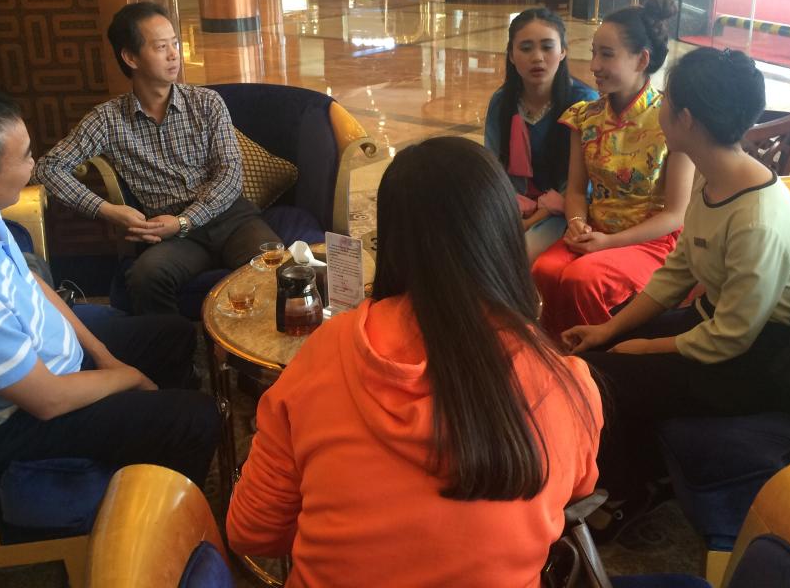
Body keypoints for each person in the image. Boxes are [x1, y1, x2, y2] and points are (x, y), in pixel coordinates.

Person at [227, 137, 603, 587]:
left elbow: (251, 531)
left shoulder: (326, 352)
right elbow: (576, 490)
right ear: (505, 237)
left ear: (391, 240)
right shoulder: (568, 383)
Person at [0, 85, 219, 485]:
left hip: (50, 360)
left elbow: (29, 283)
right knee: (198, 417)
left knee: (175, 333)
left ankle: (155, 459)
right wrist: (128, 378)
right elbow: (47, 400)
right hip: (23, 418)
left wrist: (104, 356)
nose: (33, 164)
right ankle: (160, 499)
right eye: (25, 156)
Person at [565, 47, 790, 538]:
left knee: (601, 374)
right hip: (714, 322)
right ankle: (646, 470)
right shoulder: (717, 180)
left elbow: (732, 338)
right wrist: (610, 329)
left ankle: (626, 490)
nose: (657, 106)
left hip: (754, 361)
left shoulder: (758, 221)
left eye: (666, 99)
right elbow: (676, 272)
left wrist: (645, 347)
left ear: (686, 119)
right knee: (606, 344)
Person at [33, 1, 279, 315]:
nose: (174, 54)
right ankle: (172, 346)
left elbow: (230, 175)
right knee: (146, 276)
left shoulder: (206, 103)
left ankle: (253, 344)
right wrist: (109, 211)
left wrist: (184, 221)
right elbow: (47, 168)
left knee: (273, 267)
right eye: (161, 47)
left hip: (230, 219)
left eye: (175, 43)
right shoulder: (108, 119)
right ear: (131, 57)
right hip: (172, 236)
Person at [531, 0, 695, 337]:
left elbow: (675, 214)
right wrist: (576, 223)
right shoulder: (585, 117)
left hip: (652, 241)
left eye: (606, 54)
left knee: (582, 279)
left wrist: (609, 243)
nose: (593, 65)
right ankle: (556, 356)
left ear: (642, 59)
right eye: (594, 52)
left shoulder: (671, 121)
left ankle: (599, 357)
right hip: (594, 231)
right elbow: (577, 191)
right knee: (543, 270)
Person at [484, 8, 598, 262]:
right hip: (513, 204)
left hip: (564, 210)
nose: (537, 57)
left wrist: (529, 222)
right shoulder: (502, 102)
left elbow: (582, 187)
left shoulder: (584, 104)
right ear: (511, 55)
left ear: (563, 51)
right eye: (525, 48)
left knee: (517, 256)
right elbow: (493, 170)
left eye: (547, 47)